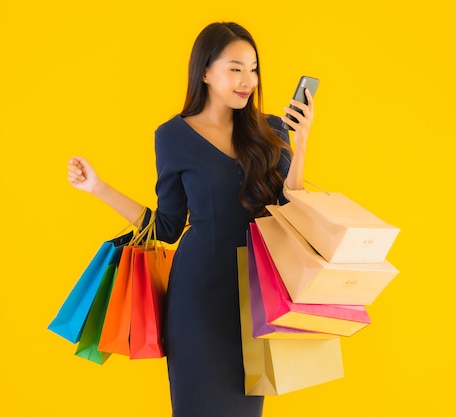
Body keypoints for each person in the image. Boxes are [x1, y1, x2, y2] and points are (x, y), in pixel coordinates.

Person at [67, 22, 314, 417]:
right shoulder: (172, 136)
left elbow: (292, 212)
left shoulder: (271, 130)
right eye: (235, 68)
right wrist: (99, 187)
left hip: (258, 295)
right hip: (197, 298)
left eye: (253, 68)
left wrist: (299, 145)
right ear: (204, 71)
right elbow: (166, 227)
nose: (247, 80)